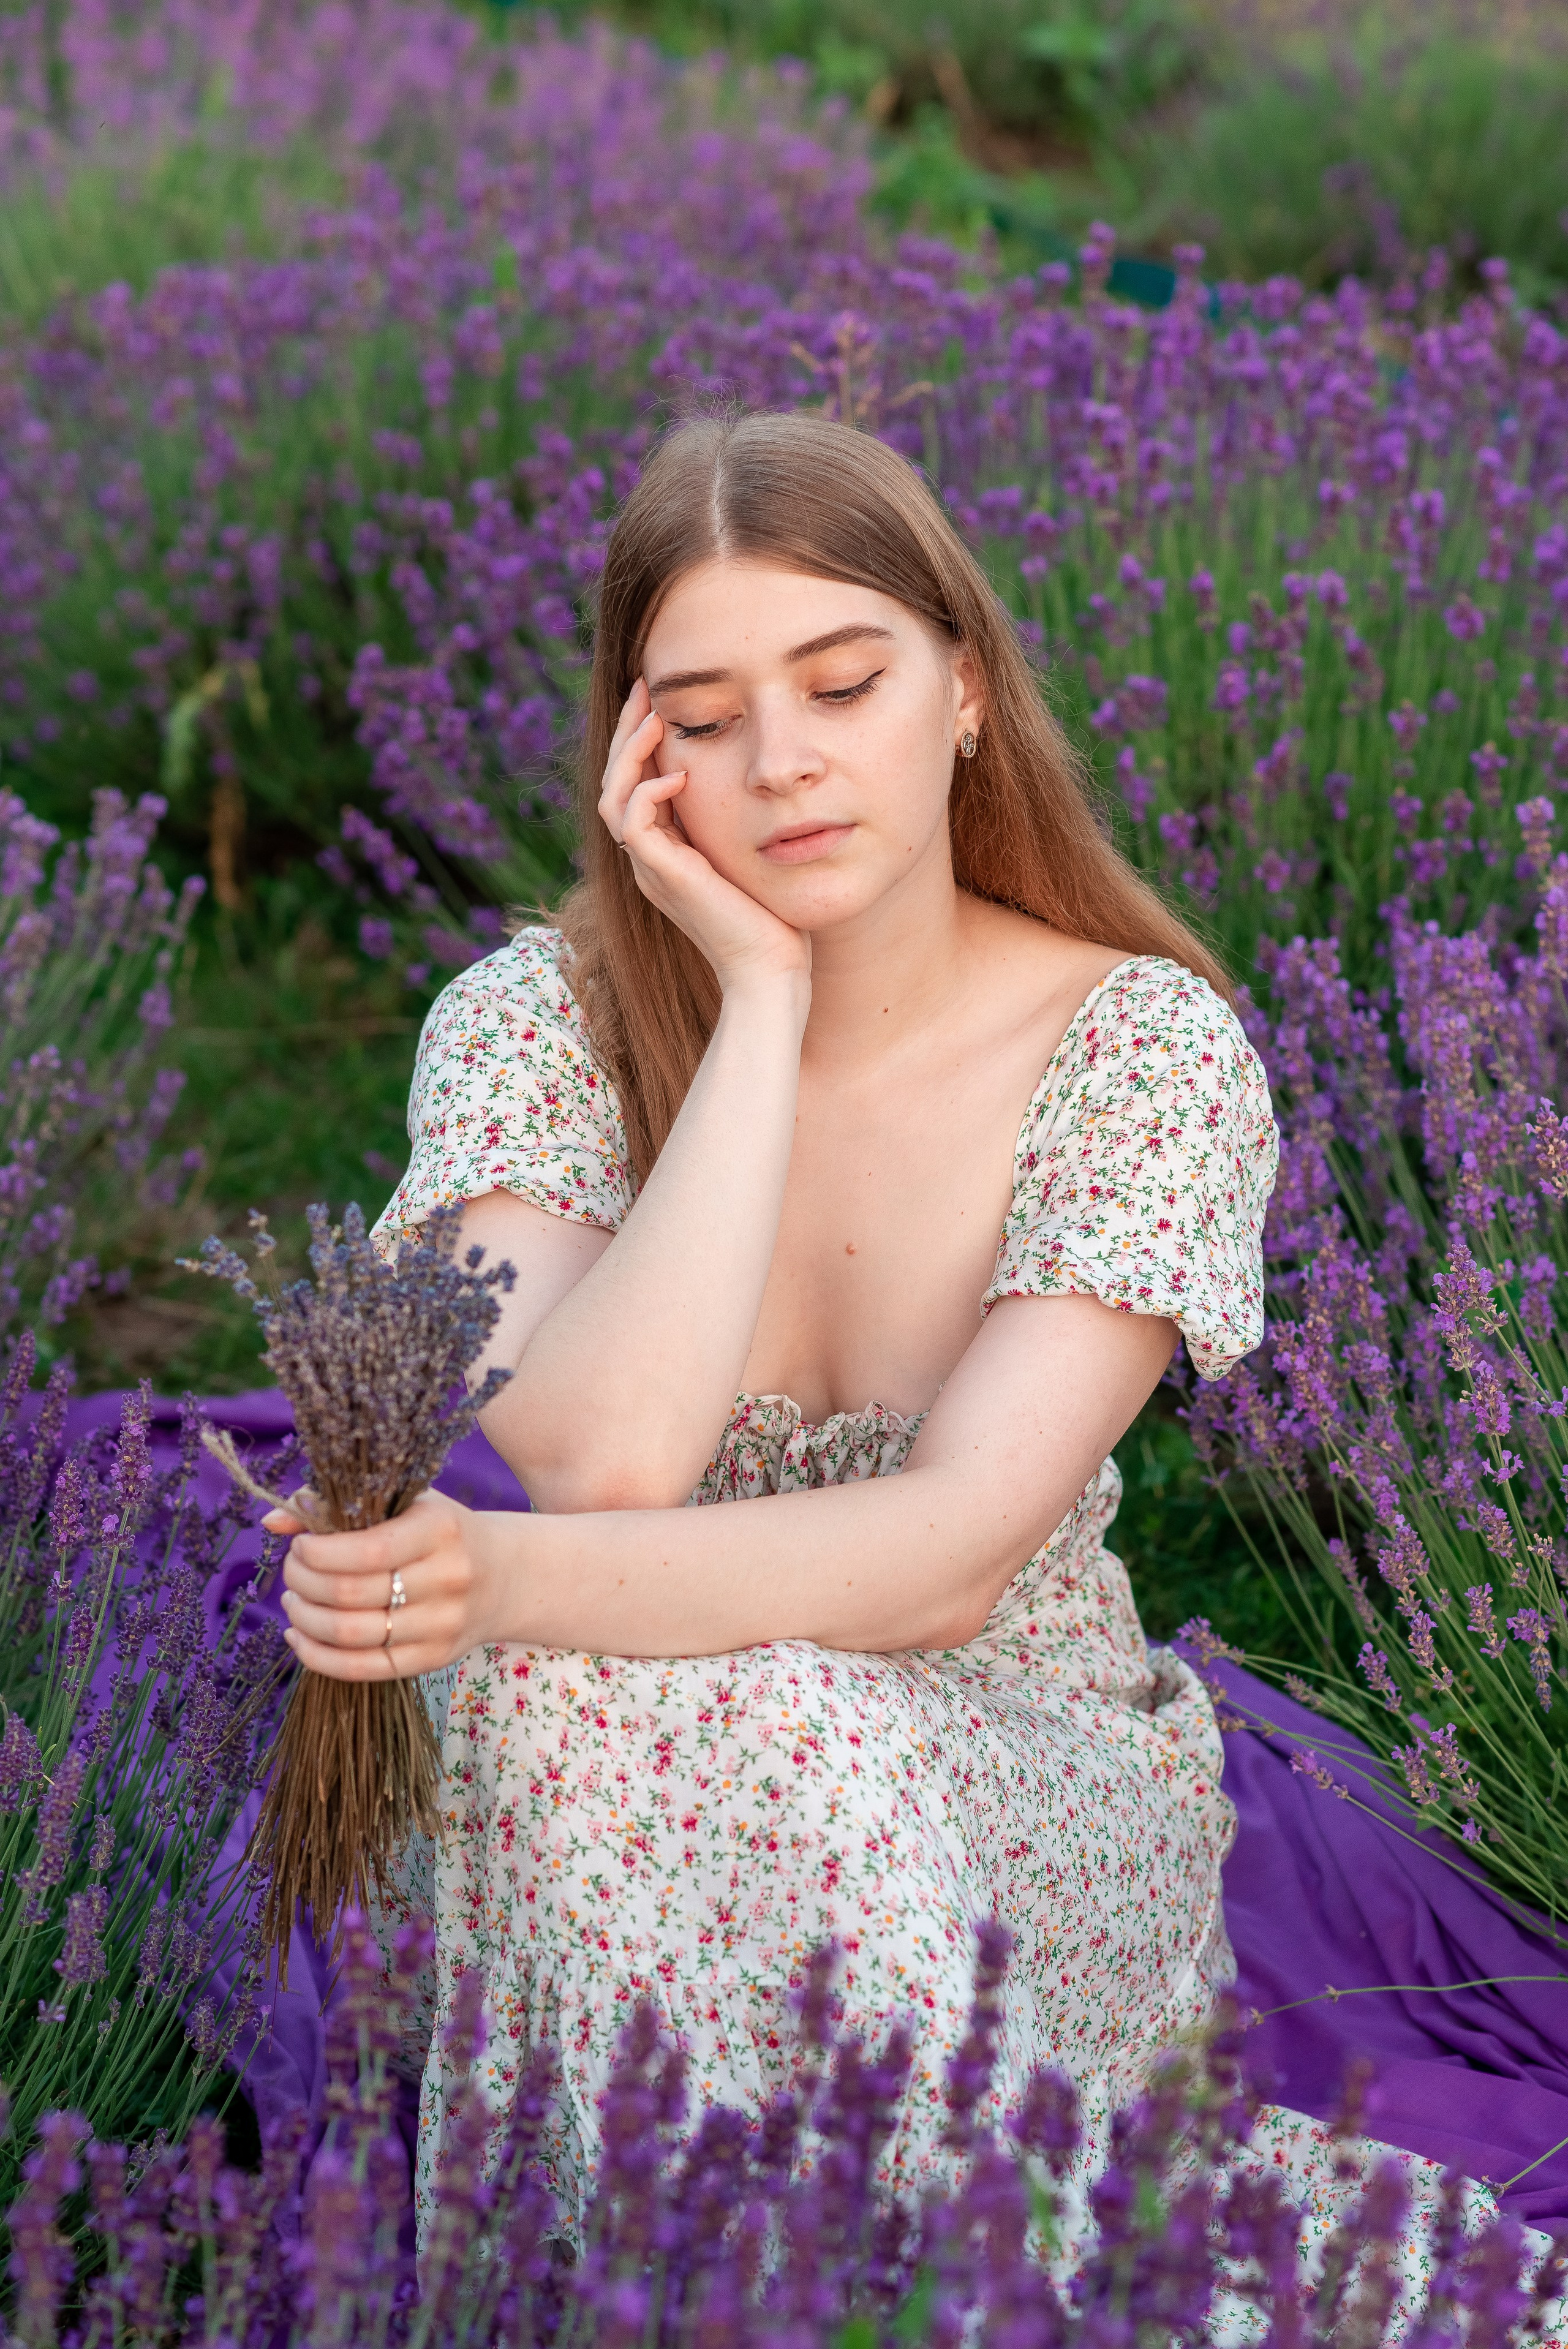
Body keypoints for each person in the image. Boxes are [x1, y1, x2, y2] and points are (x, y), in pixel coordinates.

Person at [263, 412, 1502, 2295]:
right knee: (561, 1701)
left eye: (844, 682)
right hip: (598, 1776)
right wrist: (756, 1004)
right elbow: (605, 1462)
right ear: (637, 753)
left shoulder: (1140, 1050)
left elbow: (943, 1562)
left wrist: (503, 1577)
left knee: (628, 1689)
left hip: (1005, 1778)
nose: (784, 763)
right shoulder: (531, 1026)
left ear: (969, 690)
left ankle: (843, 2283)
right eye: (703, 710)